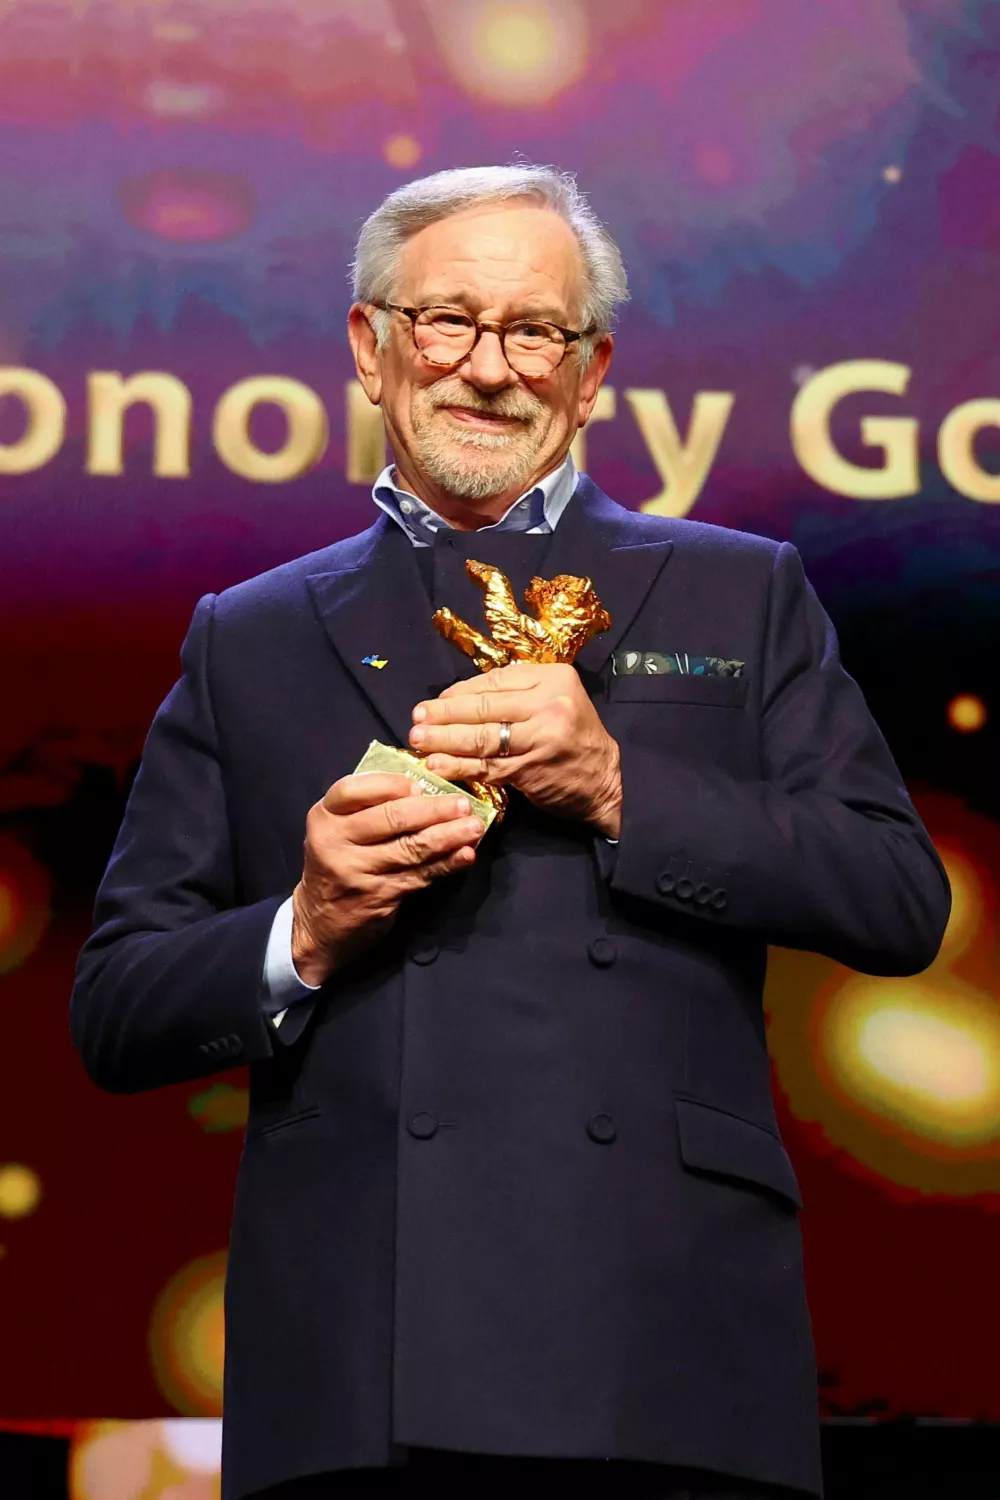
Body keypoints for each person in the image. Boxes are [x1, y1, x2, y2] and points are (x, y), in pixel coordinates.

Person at [71, 165, 950, 1500]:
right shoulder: (247, 637)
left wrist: (621, 788)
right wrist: (304, 930)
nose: (489, 369)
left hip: (661, 1333)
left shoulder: (737, 591)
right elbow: (119, 1009)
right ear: (371, 346)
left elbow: (896, 897)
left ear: (590, 373)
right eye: (448, 322)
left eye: (535, 331)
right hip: (362, 1353)